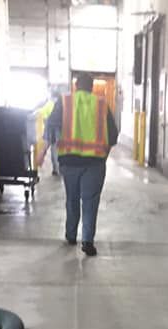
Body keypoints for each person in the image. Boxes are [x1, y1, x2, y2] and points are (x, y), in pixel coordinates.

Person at [47, 74, 118, 256]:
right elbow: (113, 134)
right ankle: (87, 241)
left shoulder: (65, 102)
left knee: (72, 199)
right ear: (92, 87)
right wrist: (104, 156)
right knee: (90, 201)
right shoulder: (102, 105)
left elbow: (51, 126)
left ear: (76, 86)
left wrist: (43, 152)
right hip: (94, 163)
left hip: (69, 162)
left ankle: (71, 235)